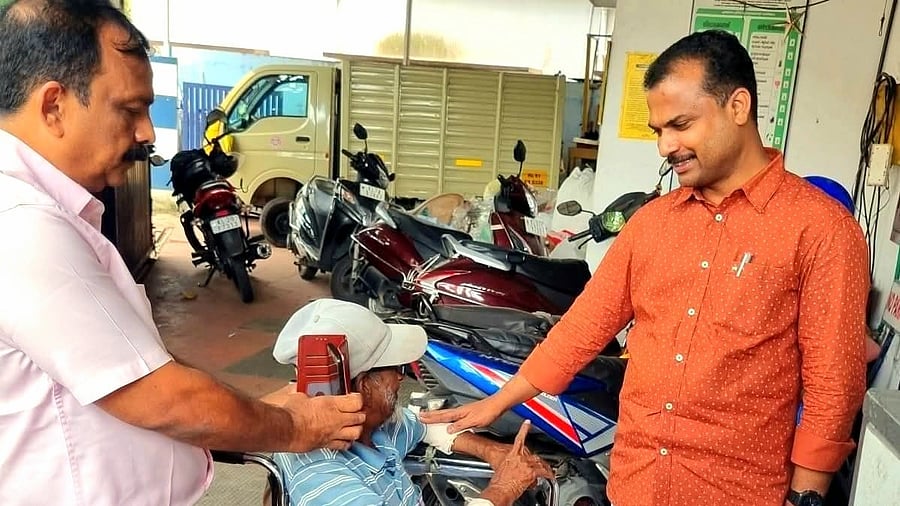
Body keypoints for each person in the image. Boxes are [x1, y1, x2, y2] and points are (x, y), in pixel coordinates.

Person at [422, 29, 870, 506]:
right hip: (636, 484)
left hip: (737, 493)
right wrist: (495, 404)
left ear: (738, 107)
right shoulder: (652, 224)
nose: (665, 147)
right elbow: (583, 328)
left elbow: (833, 386)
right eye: (659, 130)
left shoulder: (820, 228)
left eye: (681, 124)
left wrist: (806, 497)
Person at [0, 2, 364, 504]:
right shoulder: (21, 224)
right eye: (130, 110)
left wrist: (259, 409)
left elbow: (135, 361)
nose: (147, 132)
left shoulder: (44, 212)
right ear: (54, 106)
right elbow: (162, 398)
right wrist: (294, 427)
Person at [265, 298, 554, 506]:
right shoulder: (325, 480)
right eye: (397, 369)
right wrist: (503, 489)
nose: (401, 380)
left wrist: (491, 450)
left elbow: (424, 426)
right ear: (364, 387)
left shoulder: (363, 425)